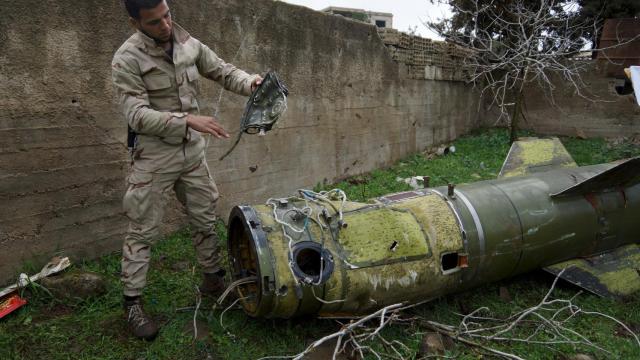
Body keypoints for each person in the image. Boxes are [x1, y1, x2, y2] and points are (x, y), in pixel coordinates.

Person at [111, 0, 262, 340]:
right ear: (136, 23)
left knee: (204, 215)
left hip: (192, 153)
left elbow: (222, 70)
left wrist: (251, 81)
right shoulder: (126, 58)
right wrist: (187, 119)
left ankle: (213, 279)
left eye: (167, 15)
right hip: (154, 156)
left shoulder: (188, 43)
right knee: (142, 227)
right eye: (154, 21)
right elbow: (136, 115)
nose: (165, 25)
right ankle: (132, 303)